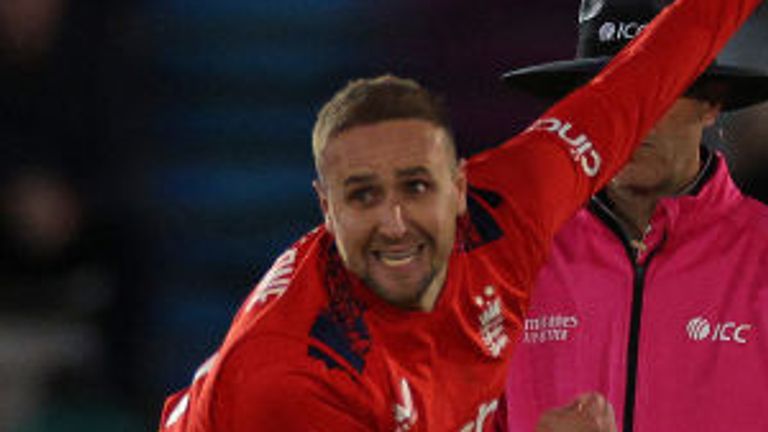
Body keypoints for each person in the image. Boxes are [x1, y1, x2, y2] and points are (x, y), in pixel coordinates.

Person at [157, 0, 760, 430]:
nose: (395, 222)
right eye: (363, 195)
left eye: (416, 187)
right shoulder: (290, 380)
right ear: (325, 208)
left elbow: (647, 75)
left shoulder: (519, 201)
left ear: (461, 185)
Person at [499, 0, 768, 431]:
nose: (632, 116)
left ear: (711, 102)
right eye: (611, 91)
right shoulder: (512, 262)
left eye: (657, 87)